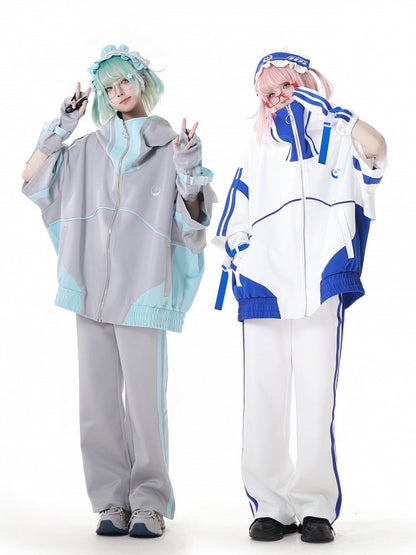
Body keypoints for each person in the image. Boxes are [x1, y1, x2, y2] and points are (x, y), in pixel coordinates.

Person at [22, 44, 215, 538]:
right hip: (89, 290)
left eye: (124, 80)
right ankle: (111, 500)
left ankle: (149, 502)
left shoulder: (172, 147)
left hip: (143, 292)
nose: (118, 91)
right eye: (108, 87)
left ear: (143, 82)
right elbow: (32, 179)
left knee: (146, 407)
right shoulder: (86, 149)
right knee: (97, 404)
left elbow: (194, 225)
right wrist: (62, 128)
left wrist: (189, 171)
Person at [215, 50, 386, 543]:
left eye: (284, 87)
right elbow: (232, 219)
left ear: (305, 83)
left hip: (322, 284)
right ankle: (269, 506)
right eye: (266, 94)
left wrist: (331, 112)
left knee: (316, 397)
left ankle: (314, 507)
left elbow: (378, 150)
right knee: (262, 399)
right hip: (265, 288)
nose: (275, 99)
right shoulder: (258, 150)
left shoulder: (340, 136)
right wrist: (243, 256)